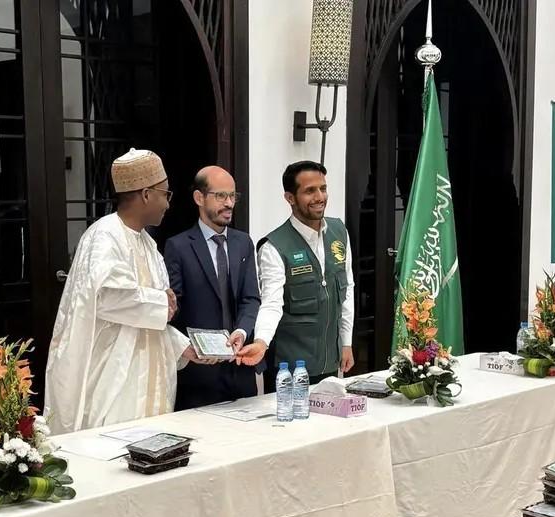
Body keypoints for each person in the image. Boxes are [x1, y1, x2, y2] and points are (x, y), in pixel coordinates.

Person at [45, 148, 206, 433]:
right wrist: (162, 302)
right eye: (165, 194)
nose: (168, 204)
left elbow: (149, 321)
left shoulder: (147, 244)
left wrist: (184, 346)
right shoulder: (104, 237)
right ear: (146, 194)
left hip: (149, 376)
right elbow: (108, 297)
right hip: (116, 378)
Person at [235, 161, 355, 386]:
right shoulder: (274, 247)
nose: (319, 197)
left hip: (329, 362)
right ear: (290, 198)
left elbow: (347, 290)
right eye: (310, 191)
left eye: (323, 188)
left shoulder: (339, 232)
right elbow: (271, 303)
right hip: (289, 369)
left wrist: (346, 342)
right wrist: (261, 342)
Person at [163, 166, 262, 409]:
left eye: (233, 196)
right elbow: (174, 308)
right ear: (199, 198)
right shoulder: (178, 246)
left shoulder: (243, 242)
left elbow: (251, 298)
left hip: (240, 367)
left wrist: (242, 331)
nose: (229, 203)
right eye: (220, 196)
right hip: (199, 373)